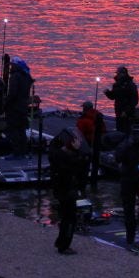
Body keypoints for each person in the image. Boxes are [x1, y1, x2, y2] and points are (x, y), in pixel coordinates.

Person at [48, 126, 87, 255]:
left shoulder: (55, 154)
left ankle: (60, 242)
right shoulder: (68, 159)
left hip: (59, 190)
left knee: (65, 217)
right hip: (68, 191)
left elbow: (53, 146)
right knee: (70, 220)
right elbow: (79, 165)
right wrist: (78, 151)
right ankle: (64, 245)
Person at [3, 56, 33, 154]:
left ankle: (16, 152)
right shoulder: (27, 76)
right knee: (22, 130)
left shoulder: (15, 77)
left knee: (14, 130)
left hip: (14, 108)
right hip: (24, 107)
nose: (11, 67)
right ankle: (23, 151)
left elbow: (12, 94)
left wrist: (5, 103)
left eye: (12, 65)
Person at [75, 101, 107, 185]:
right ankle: (94, 181)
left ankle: (82, 183)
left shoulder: (83, 119)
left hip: (86, 143)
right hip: (97, 142)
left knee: (84, 164)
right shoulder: (98, 116)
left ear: (85, 108)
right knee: (95, 164)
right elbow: (104, 130)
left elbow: (78, 133)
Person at [105, 66, 139, 135]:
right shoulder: (116, 85)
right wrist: (107, 93)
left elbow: (134, 101)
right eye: (117, 73)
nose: (117, 75)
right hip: (118, 111)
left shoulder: (130, 85)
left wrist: (126, 111)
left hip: (127, 113)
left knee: (127, 130)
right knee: (119, 129)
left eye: (118, 73)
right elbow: (113, 97)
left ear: (123, 74)